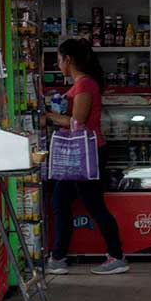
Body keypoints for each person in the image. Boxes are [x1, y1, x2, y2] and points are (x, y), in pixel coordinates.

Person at [45, 39, 129, 276]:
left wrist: (49, 116)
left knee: (93, 205)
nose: (58, 63)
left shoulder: (84, 85)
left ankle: (117, 256)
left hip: (86, 154)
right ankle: (59, 257)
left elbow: (77, 122)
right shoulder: (81, 84)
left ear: (68, 59)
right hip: (79, 155)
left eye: (59, 59)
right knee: (60, 201)